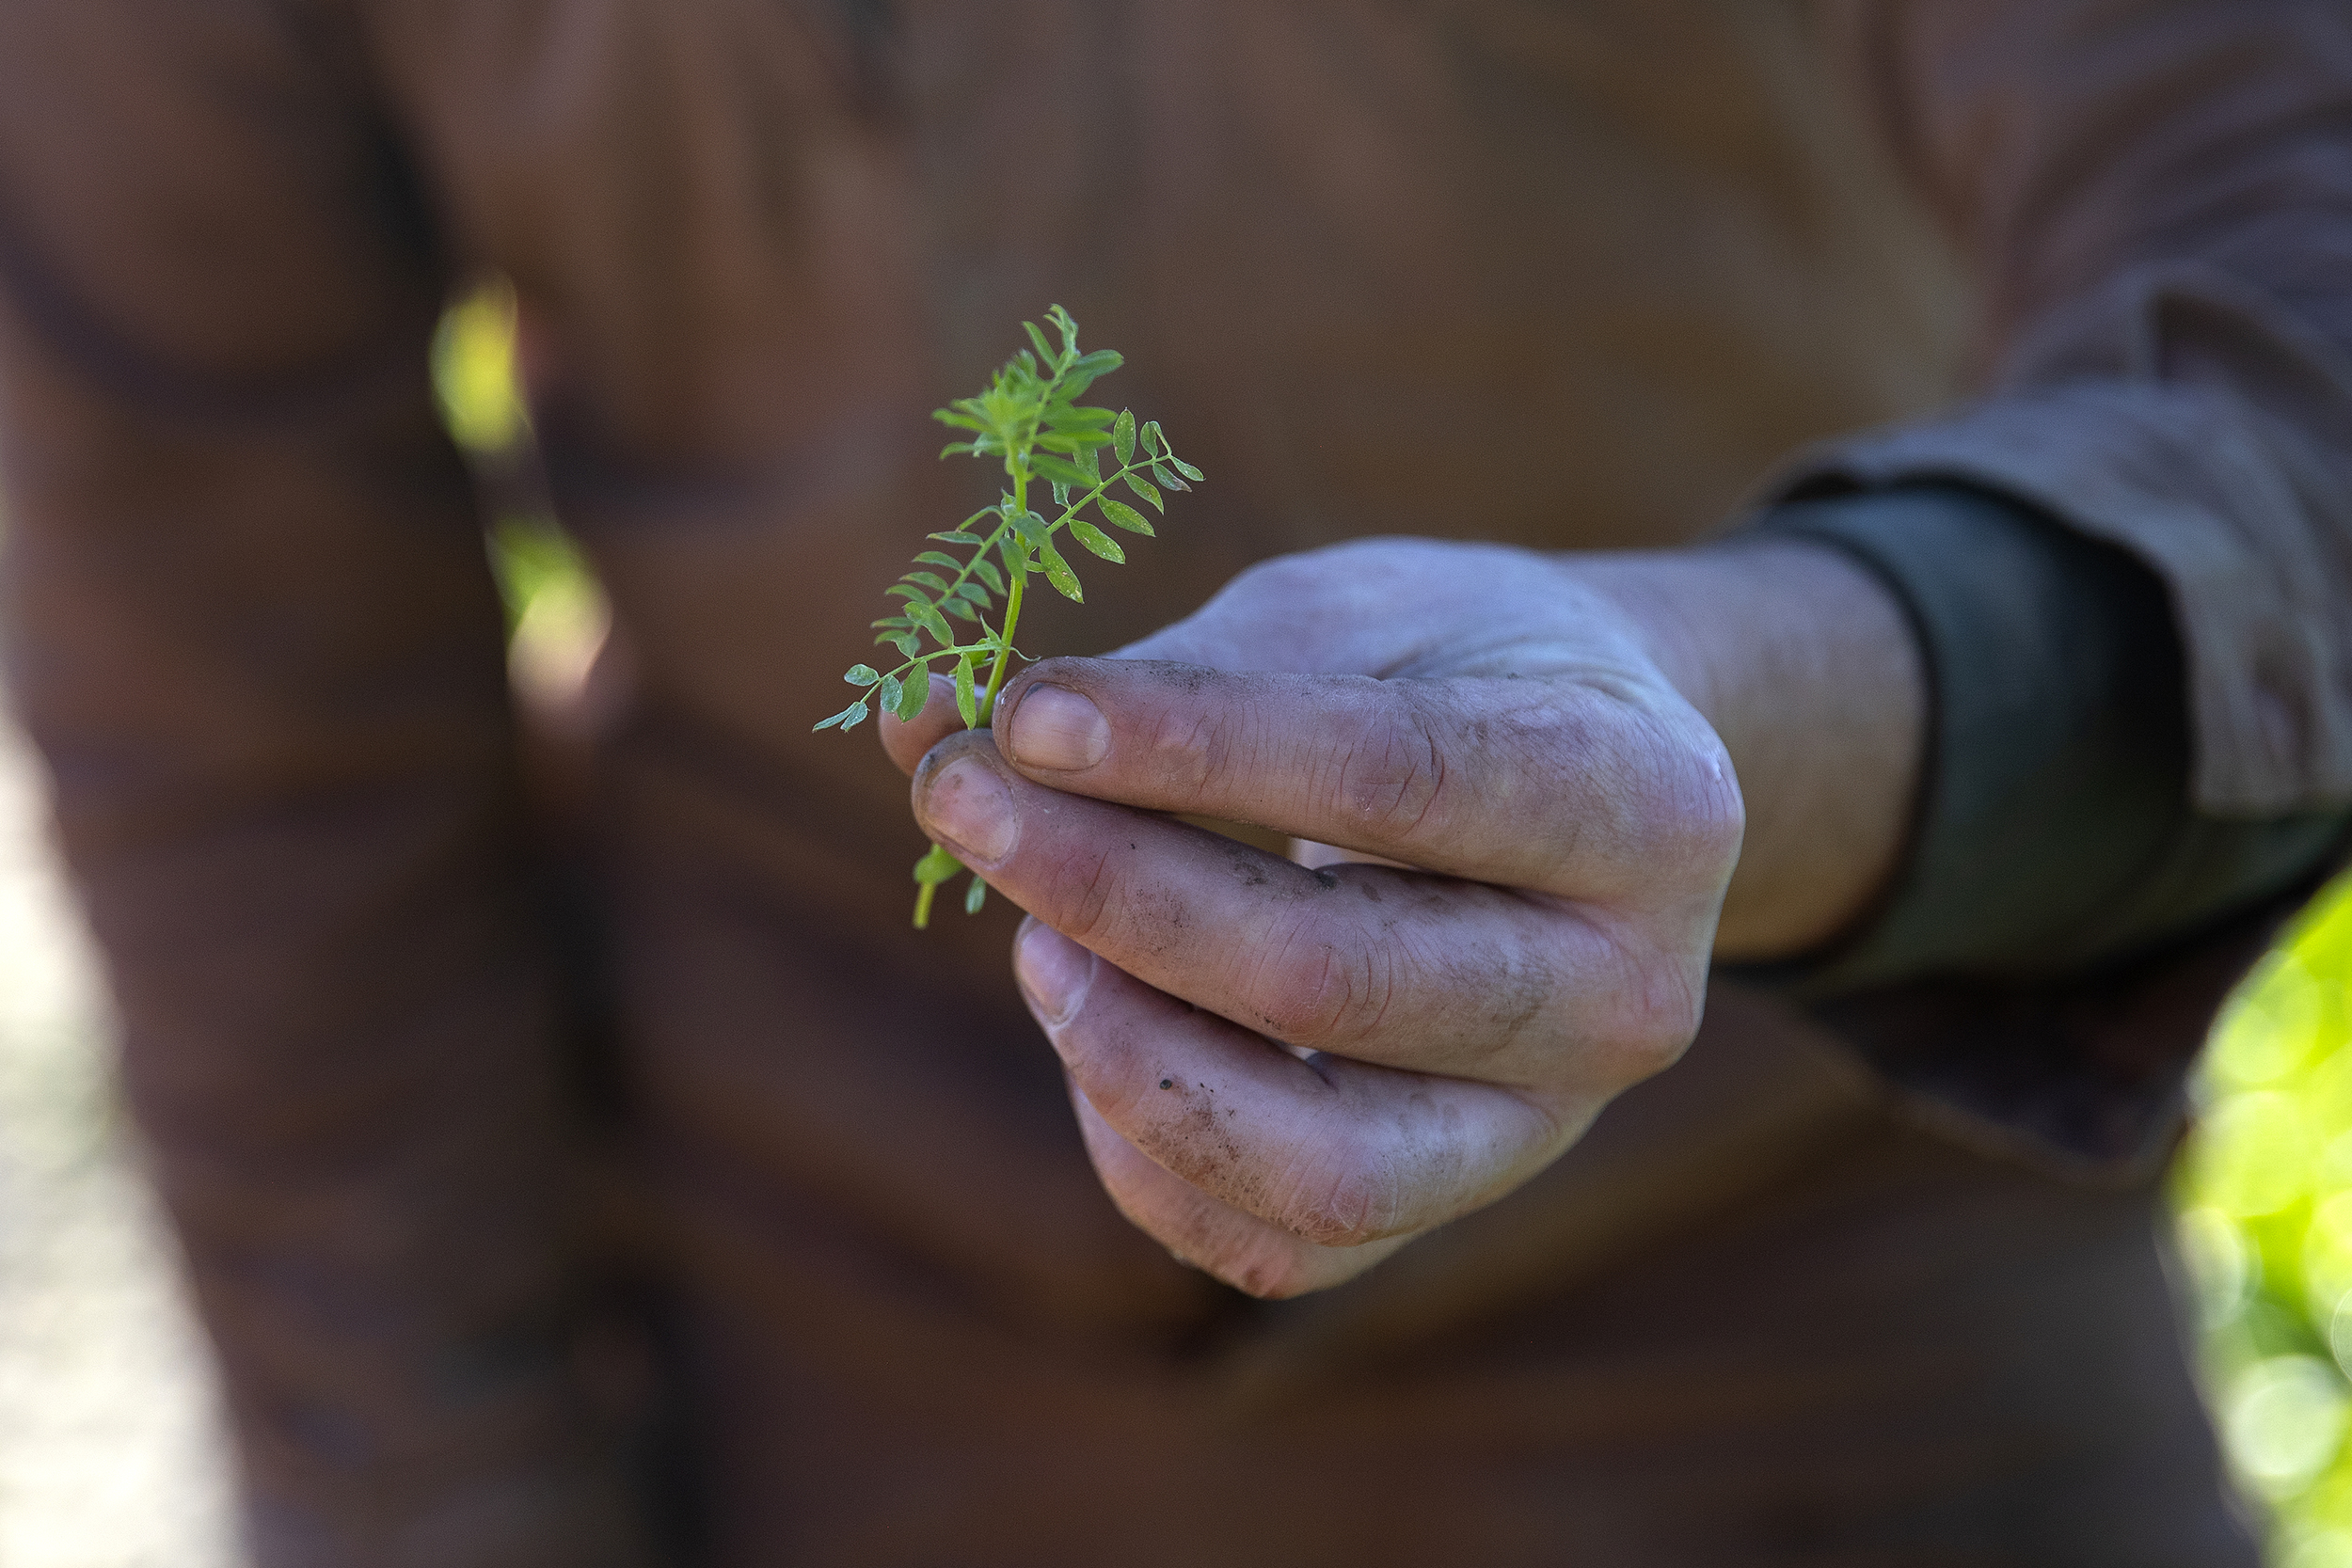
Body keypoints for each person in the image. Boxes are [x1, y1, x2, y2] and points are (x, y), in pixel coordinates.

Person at [0, 0, 2347, 1561]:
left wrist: (1725, 705)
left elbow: (2286, 283)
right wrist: (438, 1510)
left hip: (1820, 1321)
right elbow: (249, 732)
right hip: (820, 1351)